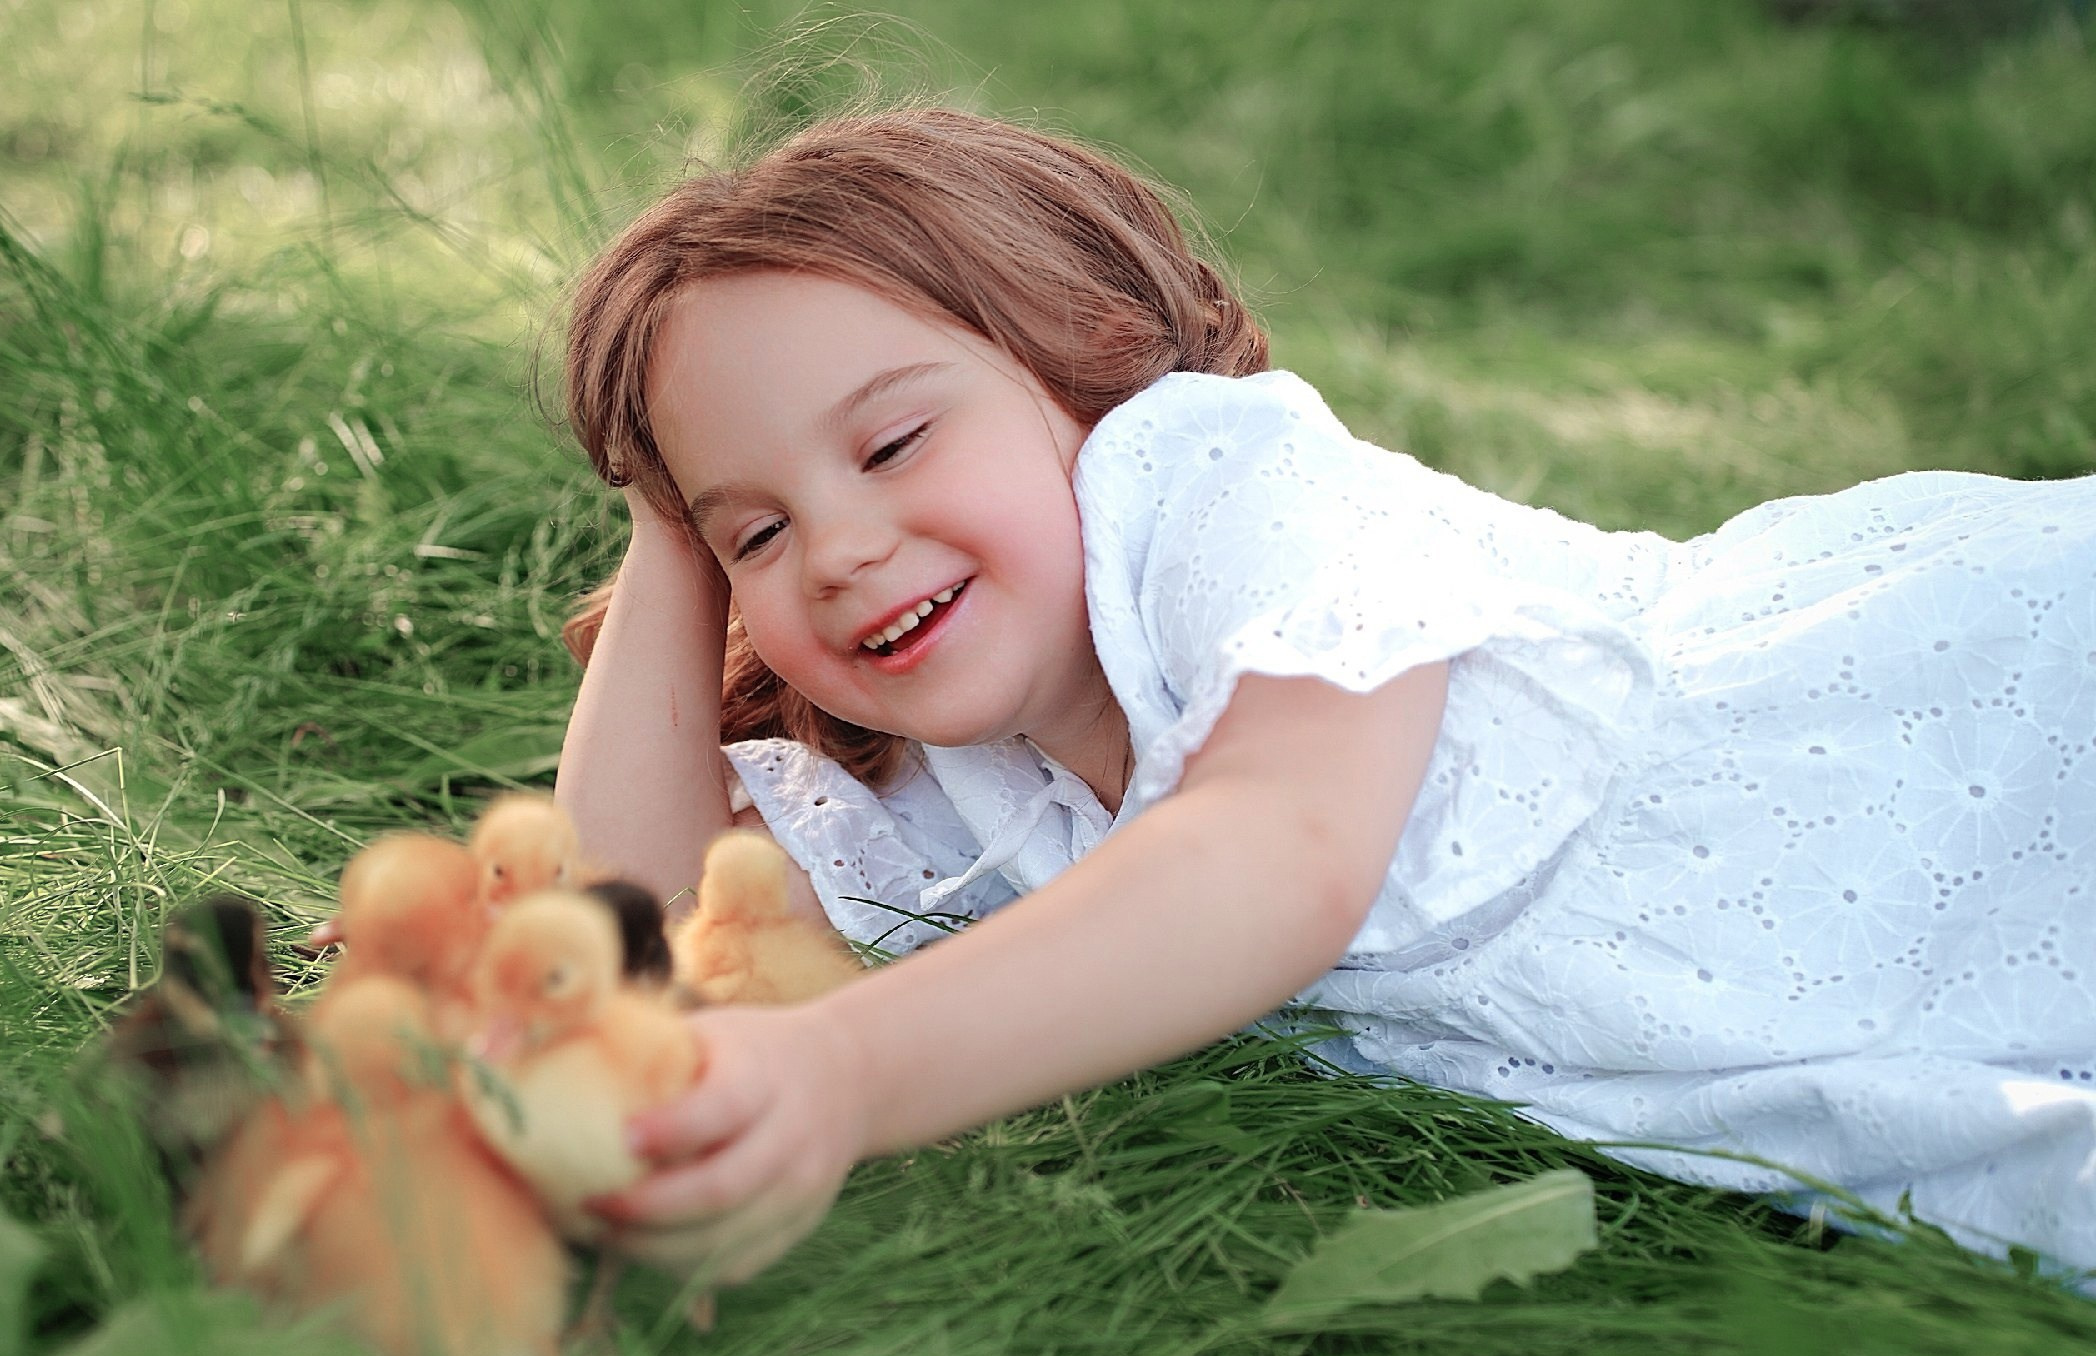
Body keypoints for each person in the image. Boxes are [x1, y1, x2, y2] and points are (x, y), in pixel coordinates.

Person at [548, 107, 2096, 1287]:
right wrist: (670, 516)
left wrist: (847, 1067)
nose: (839, 548)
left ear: (1088, 366)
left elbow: (1270, 853)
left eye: (891, 447)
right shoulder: (981, 785)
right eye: (761, 526)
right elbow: (650, 906)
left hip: (1950, 717)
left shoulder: (1226, 486)